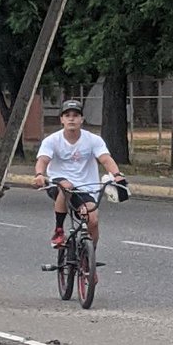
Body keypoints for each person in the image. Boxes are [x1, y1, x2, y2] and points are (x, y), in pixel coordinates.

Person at [33, 99, 126, 249]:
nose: (71, 118)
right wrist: (39, 174)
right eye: (67, 115)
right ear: (62, 119)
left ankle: (89, 260)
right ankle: (58, 230)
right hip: (58, 184)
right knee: (66, 186)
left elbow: (105, 159)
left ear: (81, 119)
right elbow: (43, 160)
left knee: (93, 221)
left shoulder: (93, 140)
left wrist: (116, 174)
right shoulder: (52, 140)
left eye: (75, 115)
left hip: (85, 188)